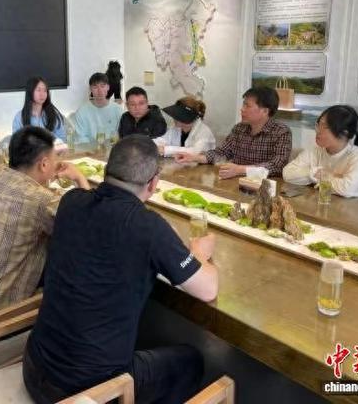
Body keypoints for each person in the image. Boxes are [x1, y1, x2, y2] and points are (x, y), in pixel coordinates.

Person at [23, 135, 218, 403]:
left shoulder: (71, 202)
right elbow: (208, 289)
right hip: (87, 392)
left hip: (34, 368)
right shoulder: (148, 226)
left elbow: (97, 217)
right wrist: (200, 254)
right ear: (153, 183)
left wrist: (81, 180)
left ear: (106, 170)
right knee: (191, 360)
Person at [0, 126, 90, 325]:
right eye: (54, 158)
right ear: (43, 164)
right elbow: (90, 225)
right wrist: (79, 178)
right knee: (78, 270)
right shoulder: (40, 201)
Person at [176, 87, 292, 178]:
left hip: (265, 188)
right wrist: (195, 158)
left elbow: (277, 166)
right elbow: (221, 153)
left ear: (265, 111)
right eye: (243, 104)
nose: (242, 109)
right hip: (235, 183)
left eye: (247, 106)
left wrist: (240, 170)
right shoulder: (239, 128)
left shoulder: (281, 132)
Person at [283, 105, 358, 198]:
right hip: (321, 203)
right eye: (318, 124)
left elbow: (348, 189)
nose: (317, 130)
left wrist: (321, 176)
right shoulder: (315, 150)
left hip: (354, 206)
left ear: (344, 133)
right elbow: (287, 173)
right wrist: (313, 173)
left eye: (324, 126)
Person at [73, 73, 123, 144]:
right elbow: (81, 138)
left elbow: (121, 135)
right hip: (89, 149)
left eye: (102, 86)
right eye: (95, 87)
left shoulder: (118, 110)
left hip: (114, 148)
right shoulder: (82, 111)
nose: (99, 91)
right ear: (90, 89)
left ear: (108, 87)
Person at [12, 77, 66, 142]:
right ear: (30, 92)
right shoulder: (19, 117)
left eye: (45, 90)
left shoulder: (54, 114)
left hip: (51, 148)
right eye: (38, 90)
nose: (42, 94)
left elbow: (62, 140)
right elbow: (17, 143)